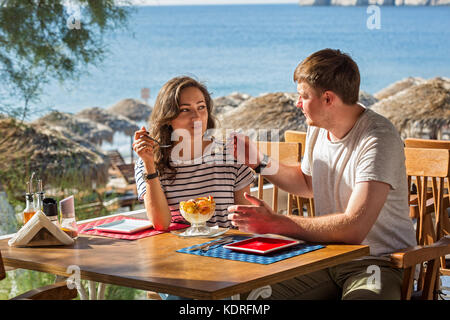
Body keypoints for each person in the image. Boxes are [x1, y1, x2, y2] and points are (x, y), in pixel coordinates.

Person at [227, 49, 417, 300]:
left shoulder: (378, 138)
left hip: (376, 263)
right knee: (246, 297)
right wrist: (260, 162)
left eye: (303, 96)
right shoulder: (318, 129)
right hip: (324, 258)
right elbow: (307, 184)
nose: (297, 103)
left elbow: (353, 229)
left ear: (328, 99)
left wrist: (274, 223)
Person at [133, 76, 254, 232]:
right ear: (167, 118)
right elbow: (161, 223)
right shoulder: (148, 163)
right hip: (177, 251)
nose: (196, 117)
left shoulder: (231, 156)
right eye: (185, 110)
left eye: (201, 107)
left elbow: (246, 222)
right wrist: (149, 165)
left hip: (226, 249)